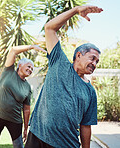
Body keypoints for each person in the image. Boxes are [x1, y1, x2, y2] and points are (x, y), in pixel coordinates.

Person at [25, 5, 103, 148]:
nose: (94, 63)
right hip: (37, 137)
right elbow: (49, 28)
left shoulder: (90, 92)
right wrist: (75, 10)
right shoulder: (59, 62)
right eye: (92, 58)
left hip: (66, 144)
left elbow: (86, 126)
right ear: (78, 55)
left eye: (97, 61)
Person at [0, 44, 46, 148]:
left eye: (32, 69)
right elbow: (13, 50)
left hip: (15, 120)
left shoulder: (27, 87)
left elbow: (26, 109)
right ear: (20, 65)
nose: (30, 69)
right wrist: (32, 47)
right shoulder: (8, 72)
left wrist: (26, 128)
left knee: (19, 146)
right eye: (28, 66)